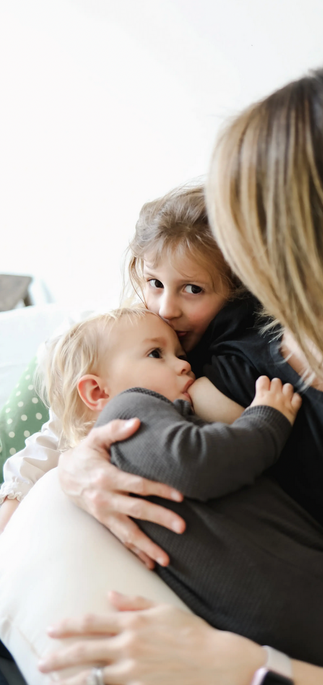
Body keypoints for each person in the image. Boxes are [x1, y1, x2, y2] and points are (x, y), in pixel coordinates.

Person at [36, 58, 323, 685]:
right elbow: (110, 391)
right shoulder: (240, 334)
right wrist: (80, 468)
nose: (233, 240)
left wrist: (246, 667)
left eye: (246, 217)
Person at [38, 305, 323, 673]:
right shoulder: (129, 408)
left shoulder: (133, 447)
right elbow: (197, 462)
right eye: (155, 354)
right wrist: (267, 418)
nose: (183, 364)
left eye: (179, 354)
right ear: (97, 391)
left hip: (282, 625)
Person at [0, 184, 260, 566]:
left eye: (192, 289)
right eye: (154, 283)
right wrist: (13, 501)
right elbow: (59, 431)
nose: (166, 307)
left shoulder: (233, 356)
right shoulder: (134, 328)